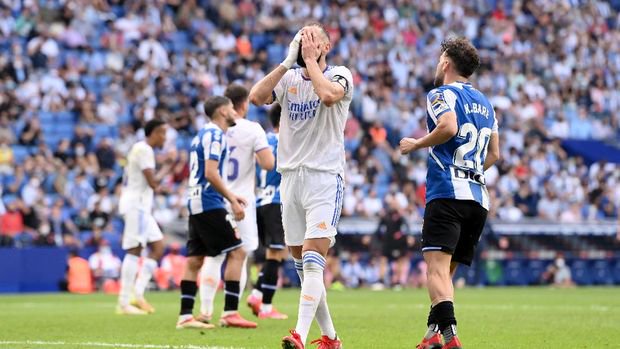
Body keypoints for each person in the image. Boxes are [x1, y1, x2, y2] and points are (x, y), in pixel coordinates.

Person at [249, 23, 353, 349]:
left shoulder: (341, 75)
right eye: (300, 38)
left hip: (324, 176)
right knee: (301, 262)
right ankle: (331, 338)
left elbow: (326, 95)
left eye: (312, 39)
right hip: (290, 178)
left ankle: (299, 335)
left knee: (311, 257)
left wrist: (309, 62)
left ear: (326, 46)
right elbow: (255, 97)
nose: (305, 43)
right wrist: (287, 61)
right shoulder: (290, 79)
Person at [399, 37, 500, 349]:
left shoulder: (440, 93)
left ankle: (450, 337)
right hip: (478, 199)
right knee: (445, 275)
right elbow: (494, 154)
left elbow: (448, 127)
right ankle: (431, 336)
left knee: (436, 271)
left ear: (445, 63)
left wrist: (415, 144)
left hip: (447, 193)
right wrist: (470, 169)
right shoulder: (486, 103)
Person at [175, 96, 256, 330]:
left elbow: (205, 174)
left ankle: (185, 316)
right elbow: (211, 173)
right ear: (222, 111)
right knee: (238, 252)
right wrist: (232, 199)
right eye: (231, 108)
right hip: (208, 202)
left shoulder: (202, 134)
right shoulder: (215, 135)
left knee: (195, 260)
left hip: (196, 200)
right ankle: (230, 312)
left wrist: (229, 194)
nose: (234, 112)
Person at [198, 84, 275, 323]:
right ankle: (230, 311)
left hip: (214, 198)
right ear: (243, 104)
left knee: (215, 256)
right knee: (240, 254)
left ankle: (206, 310)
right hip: (241, 199)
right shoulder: (252, 129)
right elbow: (268, 163)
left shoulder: (209, 129)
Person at [116, 119, 169, 315]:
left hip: (141, 206)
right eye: (162, 133)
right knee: (134, 249)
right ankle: (124, 302)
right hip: (136, 205)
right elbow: (153, 182)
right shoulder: (144, 149)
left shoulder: (142, 149)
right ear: (154, 132)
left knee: (158, 246)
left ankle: (137, 294)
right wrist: (169, 166)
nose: (165, 137)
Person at [246, 103, 289, 319]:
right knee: (276, 253)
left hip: (260, 200)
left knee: (276, 253)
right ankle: (264, 306)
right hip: (276, 200)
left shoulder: (264, 140)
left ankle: (257, 295)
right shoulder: (287, 141)